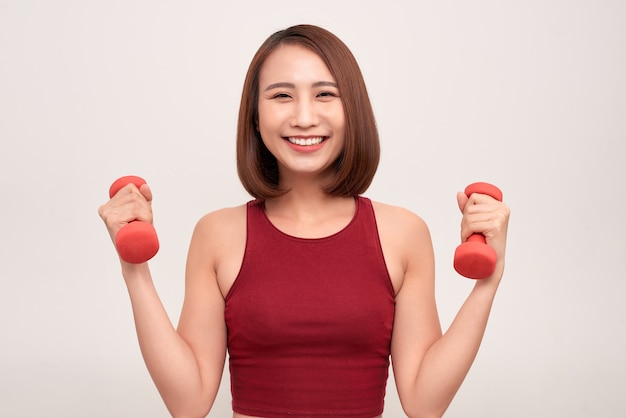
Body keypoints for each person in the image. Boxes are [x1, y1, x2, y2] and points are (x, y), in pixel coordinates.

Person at [98, 24, 510, 418]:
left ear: (353, 111)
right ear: (256, 117)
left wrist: (488, 279)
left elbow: (424, 403)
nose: (305, 117)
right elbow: (188, 404)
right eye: (281, 96)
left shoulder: (403, 234)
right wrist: (134, 268)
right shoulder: (217, 234)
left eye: (325, 94)